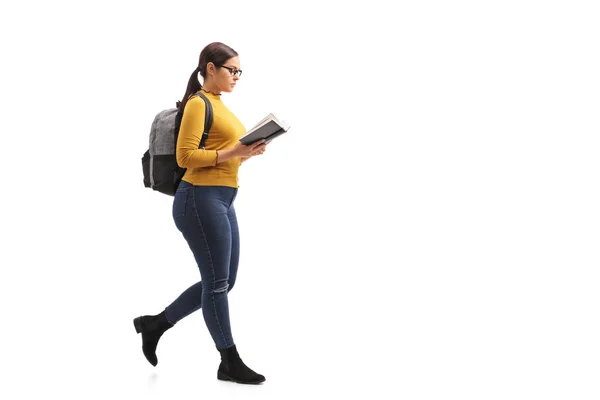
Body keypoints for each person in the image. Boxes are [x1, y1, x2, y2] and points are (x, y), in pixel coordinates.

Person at [133, 42, 268, 384]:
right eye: (231, 70)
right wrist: (234, 151)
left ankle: (156, 323)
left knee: (223, 281)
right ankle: (229, 360)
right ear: (210, 68)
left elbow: (221, 153)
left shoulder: (221, 105)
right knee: (217, 284)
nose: (237, 76)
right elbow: (186, 158)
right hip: (199, 200)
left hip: (221, 199)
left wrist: (245, 153)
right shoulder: (199, 103)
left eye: (239, 71)